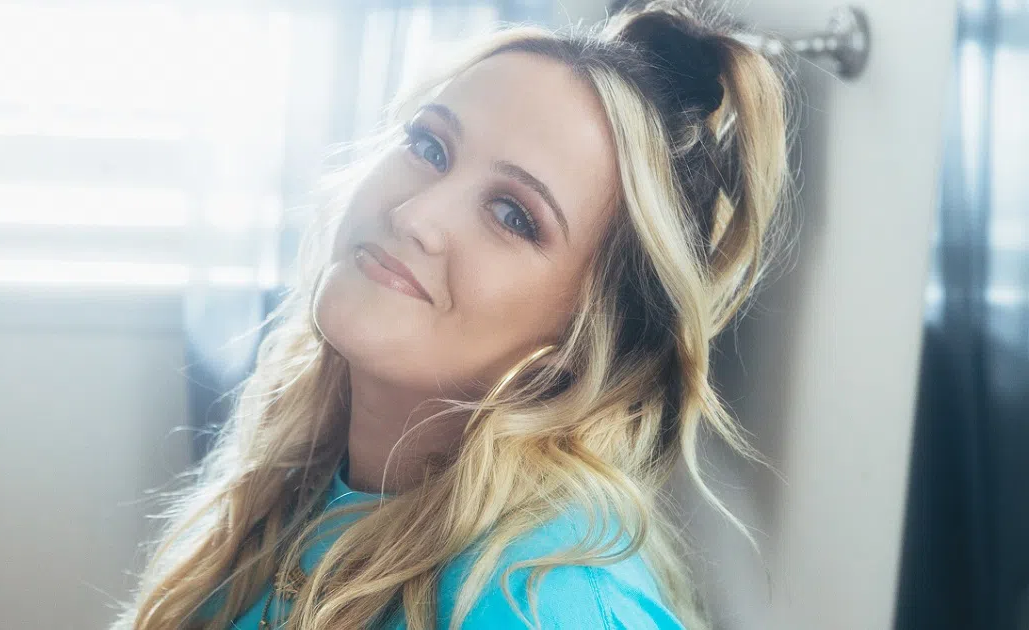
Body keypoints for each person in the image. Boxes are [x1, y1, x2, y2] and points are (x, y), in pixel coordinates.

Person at [116, 1, 792, 628]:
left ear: (587, 340)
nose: (416, 214)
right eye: (430, 147)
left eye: (513, 215)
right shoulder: (297, 474)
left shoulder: (539, 606)